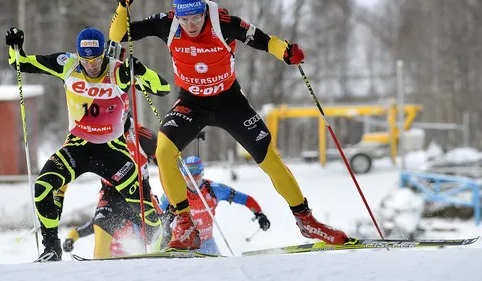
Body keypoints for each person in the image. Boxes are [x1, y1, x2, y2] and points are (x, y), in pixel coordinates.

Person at [109, 0, 349, 250]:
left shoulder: (224, 24)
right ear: (176, 15)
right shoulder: (166, 24)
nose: (190, 25)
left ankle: (306, 220)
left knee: (270, 159)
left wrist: (285, 53)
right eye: (184, 19)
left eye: (196, 18)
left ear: (204, 11)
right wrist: (122, 6)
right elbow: (118, 35)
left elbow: (265, 41)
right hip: (191, 103)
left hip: (229, 102)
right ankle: (185, 225)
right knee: (164, 152)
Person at [5, 26, 171, 262]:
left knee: (144, 208)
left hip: (113, 150)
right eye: (85, 59)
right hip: (77, 147)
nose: (91, 65)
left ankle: (160, 245)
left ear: (104, 54)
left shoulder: (118, 71)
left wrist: (140, 69)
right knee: (42, 187)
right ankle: (51, 249)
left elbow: (162, 88)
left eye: (96, 59)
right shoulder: (67, 64)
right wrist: (15, 47)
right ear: (78, 54)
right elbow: (20, 64)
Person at [58, 117, 164, 258]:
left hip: (138, 190)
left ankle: (159, 265)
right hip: (111, 193)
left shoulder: (143, 137)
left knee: (159, 230)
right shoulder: (95, 134)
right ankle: (101, 269)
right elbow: (67, 160)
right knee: (100, 226)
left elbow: (165, 166)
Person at [159, 156, 271, 255]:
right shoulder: (176, 190)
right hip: (182, 243)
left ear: (202, 172)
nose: (192, 180)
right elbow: (157, 211)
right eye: (188, 176)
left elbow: (244, 199)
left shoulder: (214, 189)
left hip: (207, 244)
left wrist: (259, 214)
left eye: (196, 175)